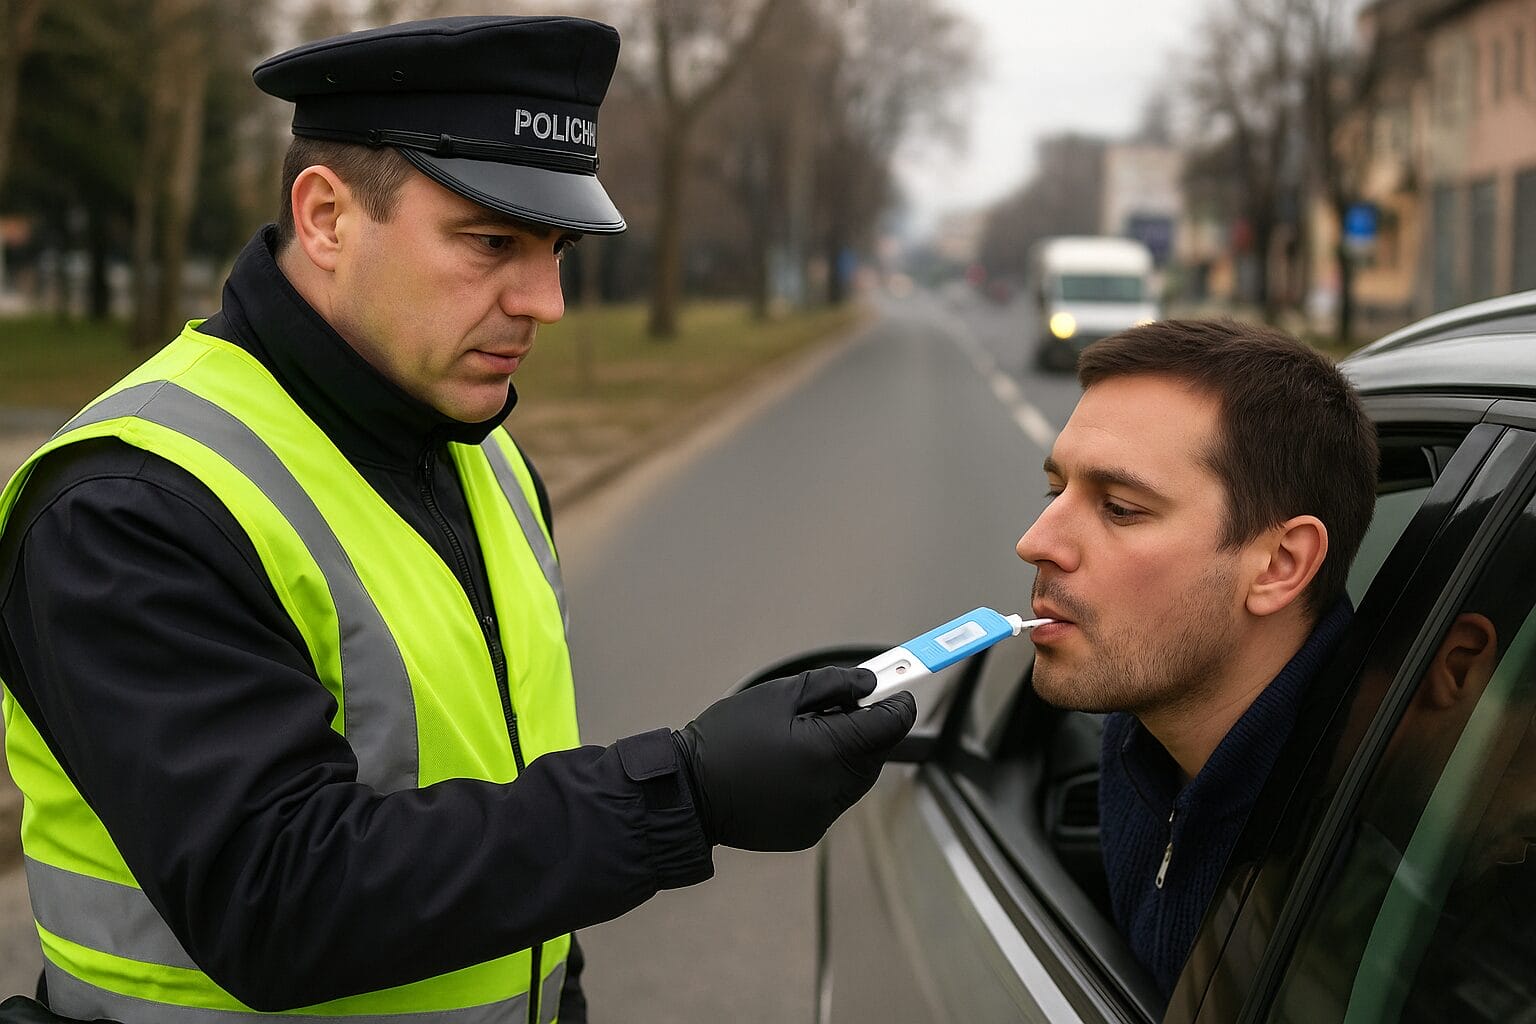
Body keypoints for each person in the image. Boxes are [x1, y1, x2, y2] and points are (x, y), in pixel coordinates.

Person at [0, 16, 916, 1024]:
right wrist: (685, 792)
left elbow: (496, 817)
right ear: (327, 218)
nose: (548, 301)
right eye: (493, 242)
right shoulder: (137, 498)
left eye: (557, 247)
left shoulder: (483, 455)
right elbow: (274, 897)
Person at [1013, 319, 1378, 998]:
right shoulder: (1142, 735)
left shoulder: (1362, 864)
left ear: (1278, 565)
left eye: (1119, 508)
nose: (1035, 541)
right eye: (1054, 491)